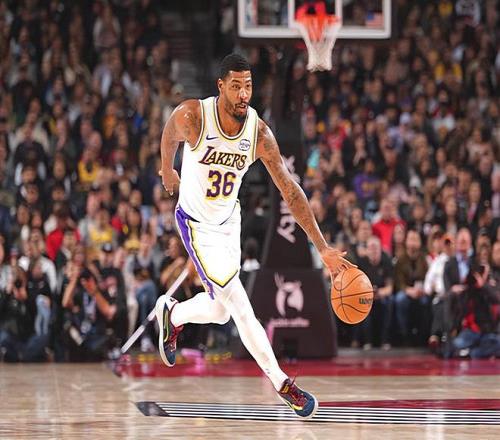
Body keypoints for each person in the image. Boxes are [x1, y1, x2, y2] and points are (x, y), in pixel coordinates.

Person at [155, 54, 353, 419]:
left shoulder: (258, 133)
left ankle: (173, 313)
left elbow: (290, 190)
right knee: (238, 304)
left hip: (229, 221)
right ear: (221, 87)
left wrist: (322, 247)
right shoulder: (194, 116)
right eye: (235, 86)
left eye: (248, 86)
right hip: (196, 224)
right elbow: (170, 131)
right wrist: (167, 169)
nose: (243, 93)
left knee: (219, 311)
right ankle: (283, 384)